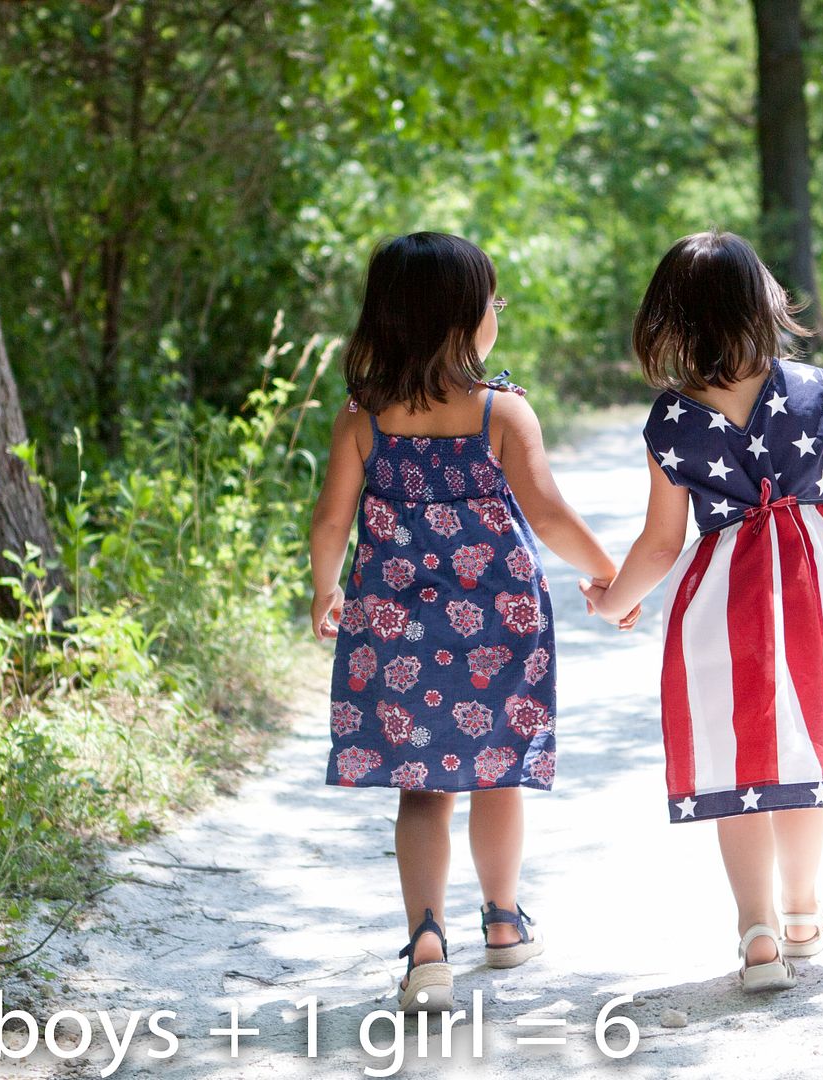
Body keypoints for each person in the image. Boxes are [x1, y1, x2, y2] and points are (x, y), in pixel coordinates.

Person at [580, 229, 823, 993]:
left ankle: (756, 934)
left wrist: (612, 602)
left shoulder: (670, 421)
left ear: (671, 322)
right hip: (813, 587)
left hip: (722, 604)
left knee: (741, 764)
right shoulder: (814, 389)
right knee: (803, 755)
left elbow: (661, 546)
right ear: (765, 305)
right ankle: (802, 913)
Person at [309, 232, 636, 1012]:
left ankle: (426, 943)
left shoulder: (364, 416)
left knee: (421, 791)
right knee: (499, 771)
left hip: (395, 629)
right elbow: (549, 512)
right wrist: (607, 574)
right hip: (500, 621)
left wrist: (326, 590)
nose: (499, 311)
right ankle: (501, 922)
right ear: (462, 320)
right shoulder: (501, 412)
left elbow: (330, 520)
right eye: (492, 300)